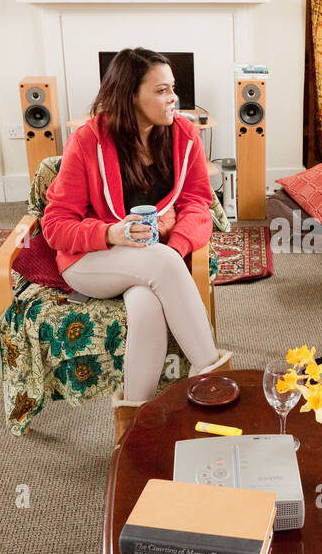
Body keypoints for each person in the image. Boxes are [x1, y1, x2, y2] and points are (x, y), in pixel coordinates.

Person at [41, 48, 231, 405]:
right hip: (91, 261)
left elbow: (197, 205)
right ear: (129, 96)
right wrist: (110, 233)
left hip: (149, 262)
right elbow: (55, 225)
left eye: (172, 88)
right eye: (161, 90)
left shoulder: (184, 135)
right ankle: (214, 386)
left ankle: (133, 424)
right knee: (161, 265)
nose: (173, 98)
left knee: (146, 305)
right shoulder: (87, 141)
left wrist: (173, 250)